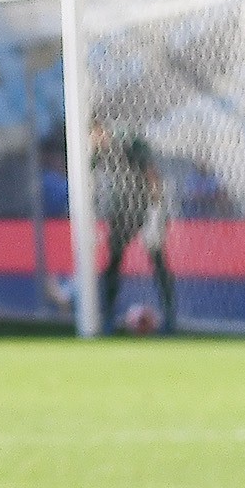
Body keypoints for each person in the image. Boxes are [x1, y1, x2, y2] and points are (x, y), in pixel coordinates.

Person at [93, 124, 175, 333]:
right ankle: (108, 316)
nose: (93, 139)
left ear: (101, 129)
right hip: (123, 211)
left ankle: (170, 316)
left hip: (146, 207)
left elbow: (152, 174)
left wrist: (156, 210)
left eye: (95, 133)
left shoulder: (129, 144)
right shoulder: (98, 153)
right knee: (114, 261)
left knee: (157, 258)